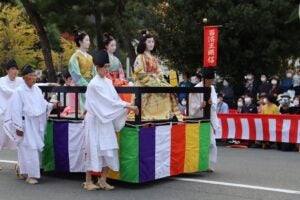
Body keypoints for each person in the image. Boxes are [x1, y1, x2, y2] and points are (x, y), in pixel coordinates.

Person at [83, 50, 139, 190]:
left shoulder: (108, 82)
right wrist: (127, 106)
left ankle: (103, 179)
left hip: (105, 120)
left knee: (109, 148)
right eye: (104, 67)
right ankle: (88, 181)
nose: (107, 69)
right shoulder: (93, 84)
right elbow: (107, 102)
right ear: (97, 67)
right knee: (93, 149)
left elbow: (114, 100)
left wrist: (126, 106)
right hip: (95, 120)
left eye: (108, 66)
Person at [3, 65, 59, 184]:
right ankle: (31, 175)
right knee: (28, 149)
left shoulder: (37, 90)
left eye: (34, 75)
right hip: (25, 124)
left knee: (32, 149)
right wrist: (18, 127)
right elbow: (15, 111)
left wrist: (52, 106)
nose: (34, 78)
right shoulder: (19, 91)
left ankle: (25, 172)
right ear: (24, 78)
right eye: (31, 76)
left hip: (35, 124)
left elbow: (42, 104)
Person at [133, 30, 182, 121]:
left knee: (167, 90)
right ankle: (154, 114)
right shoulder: (140, 57)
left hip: (155, 82)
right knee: (157, 93)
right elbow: (140, 73)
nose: (151, 44)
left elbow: (159, 72)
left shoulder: (154, 58)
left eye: (152, 42)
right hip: (144, 84)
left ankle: (165, 114)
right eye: (149, 42)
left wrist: (162, 82)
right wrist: (153, 82)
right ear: (144, 43)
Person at [0, 59, 24, 170]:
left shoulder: (20, 81)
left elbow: (32, 84)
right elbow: (7, 91)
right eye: (13, 69)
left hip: (16, 116)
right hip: (3, 115)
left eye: (16, 69)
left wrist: (49, 83)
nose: (15, 71)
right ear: (7, 70)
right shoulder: (2, 81)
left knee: (20, 140)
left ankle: (21, 164)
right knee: (1, 139)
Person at [68, 30, 96, 114]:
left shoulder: (90, 57)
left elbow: (94, 72)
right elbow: (75, 74)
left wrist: (94, 82)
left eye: (89, 40)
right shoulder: (75, 56)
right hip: (80, 86)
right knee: (82, 112)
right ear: (80, 42)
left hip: (90, 84)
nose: (89, 42)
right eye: (86, 40)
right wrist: (86, 84)